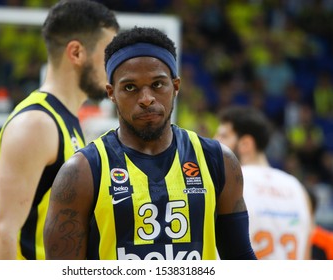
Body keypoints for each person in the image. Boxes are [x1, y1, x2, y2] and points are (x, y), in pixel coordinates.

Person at [43, 26, 257, 260]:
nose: (146, 99)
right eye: (130, 87)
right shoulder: (82, 171)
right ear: (111, 93)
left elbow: (241, 259)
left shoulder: (218, 160)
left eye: (157, 84)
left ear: (175, 86)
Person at [0, 0, 119, 260]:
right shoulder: (37, 124)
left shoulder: (66, 121)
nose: (113, 67)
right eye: (107, 54)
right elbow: (0, 234)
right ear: (76, 53)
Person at [214, 105, 313, 259]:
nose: (215, 142)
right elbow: (306, 257)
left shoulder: (228, 182)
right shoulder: (298, 188)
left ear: (245, 144)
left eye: (223, 136)